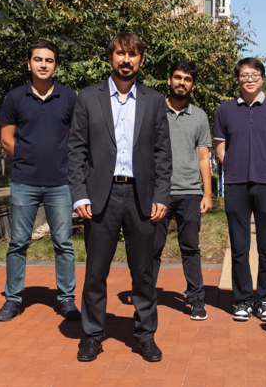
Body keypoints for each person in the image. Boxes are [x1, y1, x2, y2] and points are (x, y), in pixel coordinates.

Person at [69, 32, 171, 363]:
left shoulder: (155, 101)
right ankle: (92, 335)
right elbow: (76, 151)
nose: (126, 60)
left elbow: (162, 155)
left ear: (141, 60)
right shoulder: (87, 97)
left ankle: (145, 335)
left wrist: (161, 194)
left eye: (133, 54)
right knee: (96, 271)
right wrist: (79, 194)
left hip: (142, 196)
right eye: (120, 54)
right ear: (110, 57)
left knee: (143, 272)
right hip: (103, 196)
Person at [0, 39, 80, 322]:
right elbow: (7, 139)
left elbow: (75, 138)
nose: (43, 64)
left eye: (49, 60)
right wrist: (29, 158)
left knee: (63, 243)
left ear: (56, 65)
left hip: (60, 182)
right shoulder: (14, 98)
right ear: (28, 63)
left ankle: (67, 299)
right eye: (38, 60)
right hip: (24, 181)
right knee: (18, 242)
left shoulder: (69, 97)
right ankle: (13, 299)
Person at [212, 57, 266, 322]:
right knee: (239, 246)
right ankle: (242, 299)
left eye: (254, 74)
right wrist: (230, 165)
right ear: (238, 79)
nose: (249, 79)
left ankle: (265, 299)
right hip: (236, 185)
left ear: (262, 77)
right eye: (244, 75)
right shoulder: (225, 109)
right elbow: (219, 143)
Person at [152, 60, 212, 321]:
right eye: (177, 77)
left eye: (187, 79)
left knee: (190, 247)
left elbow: (203, 158)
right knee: (152, 248)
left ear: (193, 85)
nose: (182, 83)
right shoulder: (153, 110)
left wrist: (207, 194)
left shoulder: (199, 116)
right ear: (169, 80)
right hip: (157, 192)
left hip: (190, 192)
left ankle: (196, 299)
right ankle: (146, 296)